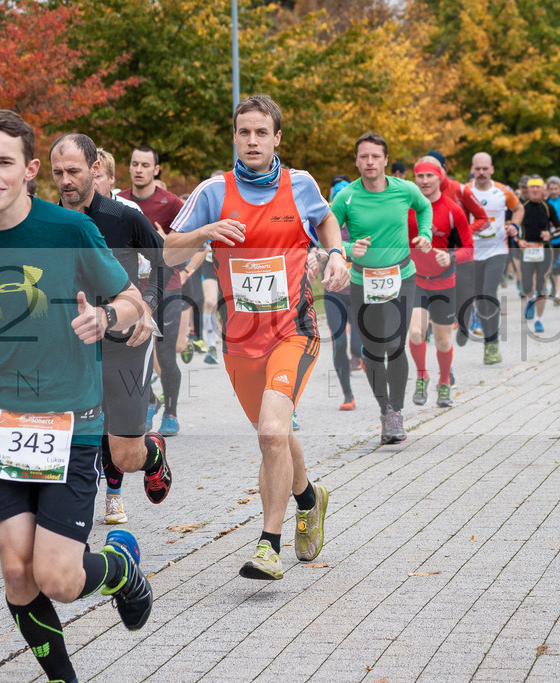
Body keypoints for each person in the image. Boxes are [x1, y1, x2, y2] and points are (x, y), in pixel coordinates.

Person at [0, 107, 152, 683]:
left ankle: (120, 569)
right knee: (17, 574)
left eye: (4, 162)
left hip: (72, 422)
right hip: (1, 426)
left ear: (28, 170)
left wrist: (104, 317)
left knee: (59, 579)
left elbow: (133, 303)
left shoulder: (69, 230)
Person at [165, 94, 346, 580]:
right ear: (235, 137)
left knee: (270, 431)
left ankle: (269, 546)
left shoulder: (300, 184)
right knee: (277, 434)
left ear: (277, 138)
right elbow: (165, 252)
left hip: (294, 331)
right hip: (239, 342)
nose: (251, 140)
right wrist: (205, 230)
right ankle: (310, 498)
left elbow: (325, 219)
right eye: (243, 132)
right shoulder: (212, 190)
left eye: (260, 132)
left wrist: (338, 254)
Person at [50, 133, 172, 528]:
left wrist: (148, 308)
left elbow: (161, 264)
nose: (65, 180)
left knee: (125, 455)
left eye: (73, 171)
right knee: (79, 430)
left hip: (126, 341)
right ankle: (77, 515)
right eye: (58, 173)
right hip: (77, 344)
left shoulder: (124, 217)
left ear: (95, 169)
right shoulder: (49, 223)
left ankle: (152, 453)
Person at [332, 133, 433, 444]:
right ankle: (385, 410)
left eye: (376, 156)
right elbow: (328, 234)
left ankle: (396, 412)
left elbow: (424, 207)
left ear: (386, 160)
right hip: (363, 281)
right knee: (373, 350)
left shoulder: (405, 190)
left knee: (395, 344)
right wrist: (348, 249)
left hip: (402, 277)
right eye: (364, 156)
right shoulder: (345, 198)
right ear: (357, 161)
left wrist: (426, 233)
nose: (370, 162)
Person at [119, 145, 188, 437]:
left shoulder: (171, 203)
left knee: (166, 355)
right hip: (131, 291)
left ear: (155, 170)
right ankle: (150, 401)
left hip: (167, 288)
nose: (138, 169)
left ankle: (170, 412)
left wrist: (166, 241)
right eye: (135, 163)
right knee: (132, 353)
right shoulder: (119, 202)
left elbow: (187, 247)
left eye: (145, 165)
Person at [409, 161, 473, 408]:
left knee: (444, 341)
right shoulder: (408, 209)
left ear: (440, 178)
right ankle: (422, 375)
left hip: (444, 282)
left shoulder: (452, 210)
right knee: (415, 332)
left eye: (429, 176)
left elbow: (469, 247)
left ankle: (444, 381)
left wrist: (452, 257)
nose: (424, 180)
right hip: (414, 281)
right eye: (420, 176)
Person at [418, 152, 489, 347]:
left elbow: (483, 218)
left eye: (432, 171)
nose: (427, 177)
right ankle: (435, 328)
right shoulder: (417, 194)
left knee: (464, 299)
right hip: (431, 258)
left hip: (459, 253)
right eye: (422, 172)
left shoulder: (458, 189)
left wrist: (462, 231)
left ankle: (464, 325)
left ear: (442, 171)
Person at [467, 152, 523, 365]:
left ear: (492, 169)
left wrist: (514, 226)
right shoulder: (465, 192)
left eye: (485, 169)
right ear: (472, 169)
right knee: (478, 297)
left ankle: (492, 344)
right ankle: (488, 339)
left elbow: (518, 208)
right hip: (472, 253)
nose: (481, 173)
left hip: (497, 251)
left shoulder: (503, 191)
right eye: (477, 169)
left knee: (488, 292)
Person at [322, 175, 361, 409]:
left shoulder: (360, 224)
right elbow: (317, 249)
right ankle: (348, 395)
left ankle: (359, 355)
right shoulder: (325, 225)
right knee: (338, 344)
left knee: (357, 346)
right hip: (333, 293)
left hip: (358, 292)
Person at [518, 177, 560, 332]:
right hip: (526, 250)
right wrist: (518, 240)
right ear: (528, 190)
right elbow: (510, 227)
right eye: (532, 188)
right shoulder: (521, 207)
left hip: (544, 250)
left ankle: (538, 319)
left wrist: (550, 235)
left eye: (538, 187)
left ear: (543, 190)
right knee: (526, 286)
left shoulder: (548, 207)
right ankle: (530, 299)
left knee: (541, 285)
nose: (535, 190)